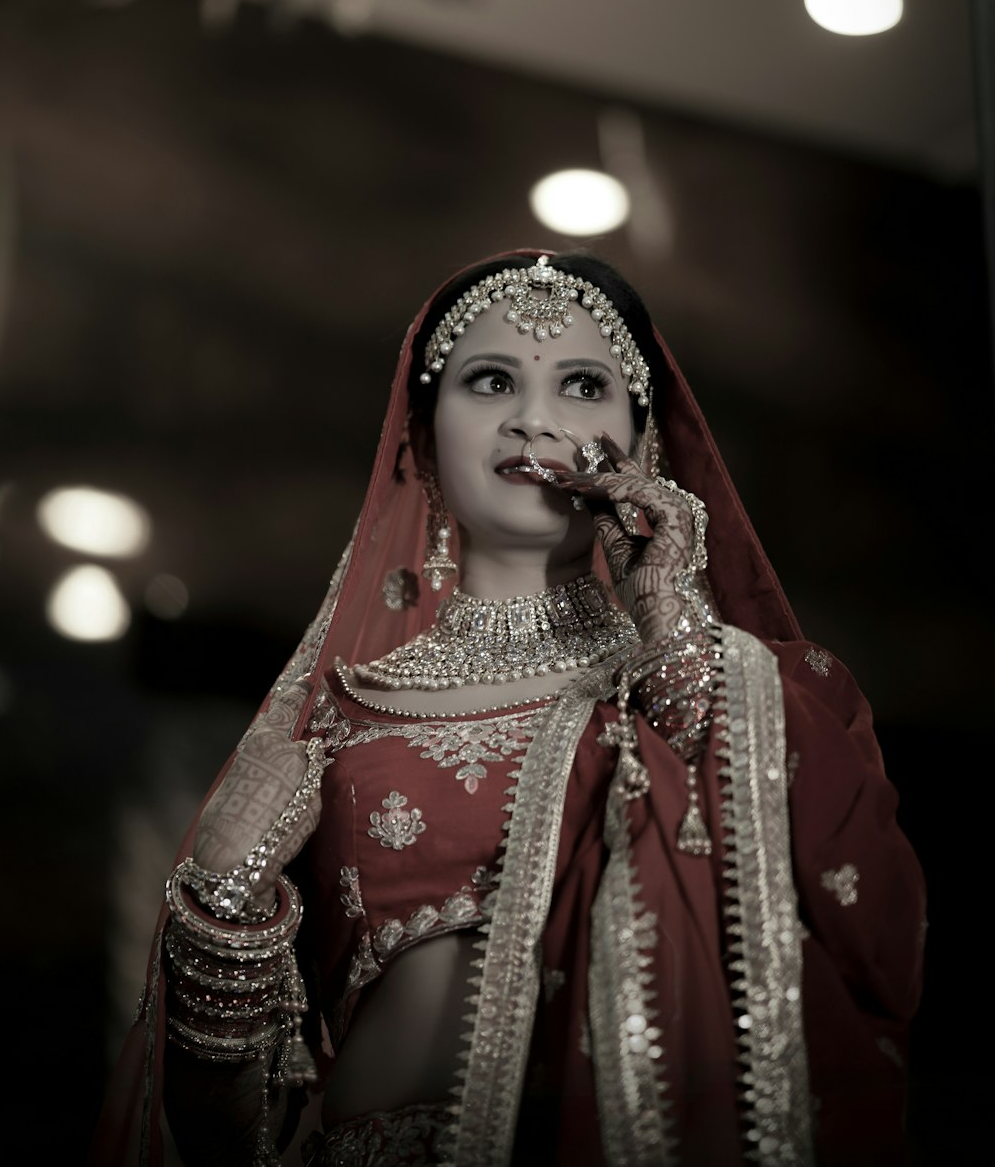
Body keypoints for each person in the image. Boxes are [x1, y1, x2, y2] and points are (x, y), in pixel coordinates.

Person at [90, 250, 926, 1167]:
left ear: (641, 444)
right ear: (421, 437)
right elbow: (224, 1135)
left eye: (582, 385)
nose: (534, 419)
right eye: (491, 381)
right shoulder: (340, 723)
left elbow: (859, 919)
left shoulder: (715, 687)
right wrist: (221, 905)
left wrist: (675, 639)